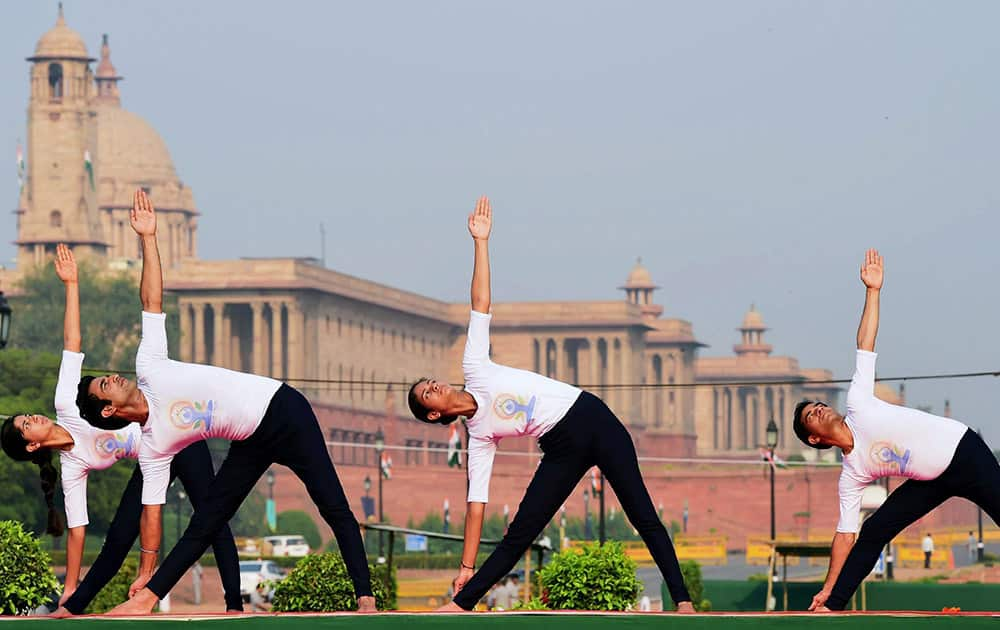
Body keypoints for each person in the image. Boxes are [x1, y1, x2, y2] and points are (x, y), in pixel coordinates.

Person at [75, 190, 374, 615]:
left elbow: (151, 302)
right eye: (107, 384)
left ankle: (365, 596)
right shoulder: (155, 443)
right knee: (205, 521)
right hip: (249, 440)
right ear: (108, 410)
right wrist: (145, 571)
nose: (116, 377)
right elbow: (152, 512)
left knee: (334, 506)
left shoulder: (150, 366)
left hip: (284, 411)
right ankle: (149, 598)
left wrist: (149, 238)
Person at [407, 197, 694, 613]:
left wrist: (481, 243)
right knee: (519, 533)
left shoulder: (475, 366)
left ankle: (682, 600)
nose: (432, 385)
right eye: (426, 393)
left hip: (592, 417)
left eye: (429, 382)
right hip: (560, 446)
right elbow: (476, 505)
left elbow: (480, 305)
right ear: (434, 413)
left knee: (642, 514)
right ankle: (462, 603)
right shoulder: (480, 437)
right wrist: (466, 564)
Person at [0, 244, 242, 616]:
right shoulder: (72, 466)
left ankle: (234, 606)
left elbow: (72, 344)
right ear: (31, 446)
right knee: (117, 538)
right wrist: (68, 586)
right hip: (151, 457)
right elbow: (78, 530)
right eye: (26, 425)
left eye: (28, 415)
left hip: (176, 439)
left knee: (211, 517)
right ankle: (75, 605)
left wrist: (72, 283)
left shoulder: (67, 402)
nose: (34, 418)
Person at [795, 249, 1000, 612]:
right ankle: (835, 605)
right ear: (815, 438)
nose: (820, 408)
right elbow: (845, 535)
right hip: (929, 480)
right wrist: (827, 587)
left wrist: (872, 291)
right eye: (812, 413)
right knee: (873, 531)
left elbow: (865, 344)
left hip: (964, 452)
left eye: (819, 404)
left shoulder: (857, 401)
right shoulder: (851, 474)